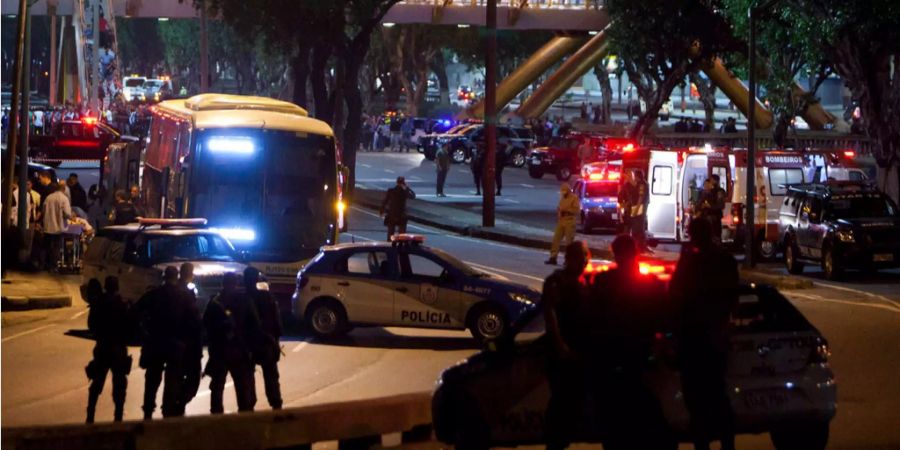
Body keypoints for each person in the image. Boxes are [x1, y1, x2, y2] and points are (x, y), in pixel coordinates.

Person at [585, 235, 674, 450]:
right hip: (640, 353)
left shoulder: (604, 281)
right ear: (635, 253)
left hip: (614, 354)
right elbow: (664, 315)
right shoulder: (648, 283)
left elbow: (592, 317)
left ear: (615, 254)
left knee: (614, 416)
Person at [669, 219, 739, 450]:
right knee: (718, 394)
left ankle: (703, 443)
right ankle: (727, 442)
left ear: (694, 235)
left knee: (697, 399)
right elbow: (733, 297)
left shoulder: (692, 262)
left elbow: (675, 292)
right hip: (716, 336)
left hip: (694, 338)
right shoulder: (725, 260)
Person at [135, 266, 201, 419]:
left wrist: (144, 332)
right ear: (176, 277)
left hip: (155, 342)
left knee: (152, 379)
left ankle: (148, 412)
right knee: (172, 380)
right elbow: (195, 322)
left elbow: (135, 311)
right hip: (175, 345)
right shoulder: (184, 296)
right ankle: (168, 411)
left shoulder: (153, 294)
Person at [543, 241, 590, 450]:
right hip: (562, 352)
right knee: (561, 400)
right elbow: (550, 314)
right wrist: (560, 345)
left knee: (573, 401)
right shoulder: (556, 282)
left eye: (585, 257)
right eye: (581, 258)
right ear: (570, 259)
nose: (585, 262)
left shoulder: (585, 283)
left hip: (580, 351)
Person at [204, 272, 260, 413]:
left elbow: (205, 326)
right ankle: (244, 418)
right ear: (236, 284)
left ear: (223, 284)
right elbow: (255, 325)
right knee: (243, 388)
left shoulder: (214, 302)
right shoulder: (244, 301)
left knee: (217, 387)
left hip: (219, 351)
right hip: (239, 351)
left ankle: (217, 417)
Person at [85, 276, 132, 423]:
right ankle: (118, 416)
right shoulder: (122, 304)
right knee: (119, 386)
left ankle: (90, 414)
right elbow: (130, 326)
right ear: (117, 287)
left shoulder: (99, 303)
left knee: (96, 383)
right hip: (117, 349)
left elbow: (91, 325)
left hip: (103, 347)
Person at [245, 267, 283, 410]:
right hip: (265, 343)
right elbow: (276, 320)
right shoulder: (266, 297)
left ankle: (248, 407)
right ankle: (276, 405)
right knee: (271, 377)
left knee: (248, 378)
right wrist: (276, 340)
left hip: (248, 344)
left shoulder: (241, 298)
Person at [177, 263, 204, 410]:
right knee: (192, 379)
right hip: (187, 343)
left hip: (178, 343)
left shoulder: (178, 290)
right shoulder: (185, 293)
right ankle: (179, 403)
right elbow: (194, 320)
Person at [42, 181, 73, 270]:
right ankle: (53, 266)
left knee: (47, 246)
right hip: (58, 228)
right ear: (63, 189)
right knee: (56, 247)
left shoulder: (48, 197)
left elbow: (43, 210)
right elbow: (67, 213)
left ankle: (45, 265)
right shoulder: (64, 199)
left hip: (48, 226)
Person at [545, 184, 579, 265]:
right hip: (562, 220)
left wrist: (565, 210)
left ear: (568, 191)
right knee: (556, 239)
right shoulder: (563, 198)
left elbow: (576, 210)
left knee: (569, 242)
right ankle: (553, 257)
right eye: (562, 191)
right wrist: (559, 211)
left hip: (570, 221)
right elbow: (560, 207)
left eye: (564, 191)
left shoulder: (574, 198)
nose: (563, 193)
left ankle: (568, 260)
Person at [699, 175, 726, 246]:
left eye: (711, 180)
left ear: (715, 181)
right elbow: (701, 203)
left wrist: (710, 206)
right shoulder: (707, 192)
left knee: (716, 237)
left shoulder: (719, 191)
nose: (710, 182)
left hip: (715, 218)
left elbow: (721, 205)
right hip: (707, 218)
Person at [629, 171, 650, 252]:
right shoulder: (642, 183)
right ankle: (640, 247)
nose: (634, 177)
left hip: (639, 208)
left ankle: (640, 247)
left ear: (637, 176)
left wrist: (636, 210)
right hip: (639, 208)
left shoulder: (642, 184)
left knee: (638, 228)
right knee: (638, 228)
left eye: (635, 176)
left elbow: (640, 198)